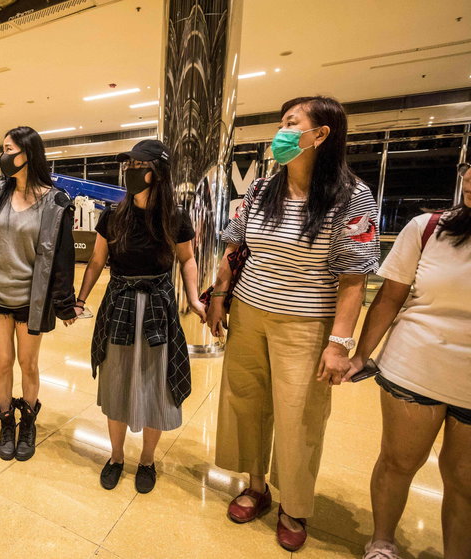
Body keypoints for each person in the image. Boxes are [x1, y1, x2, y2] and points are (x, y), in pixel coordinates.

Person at [205, 96, 380, 552]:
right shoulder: (263, 188)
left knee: (299, 415)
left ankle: (294, 506)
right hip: (249, 312)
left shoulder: (352, 196)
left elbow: (353, 279)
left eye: (290, 123)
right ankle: (256, 486)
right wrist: (220, 296)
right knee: (246, 400)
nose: (280, 132)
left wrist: (340, 343)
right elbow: (234, 245)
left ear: (321, 134)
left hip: (306, 323)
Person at [351, 162, 471, 559]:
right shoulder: (428, 228)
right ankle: (382, 542)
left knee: (464, 480)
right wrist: (359, 355)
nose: (468, 178)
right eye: (469, 168)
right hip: (416, 364)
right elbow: (389, 298)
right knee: (399, 461)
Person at [74, 139, 205, 494]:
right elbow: (97, 261)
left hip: (158, 308)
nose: (131, 171)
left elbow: (188, 259)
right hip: (119, 304)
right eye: (128, 165)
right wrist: (80, 299)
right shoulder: (112, 215)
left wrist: (193, 298)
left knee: (156, 386)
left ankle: (147, 460)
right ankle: (116, 456)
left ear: (157, 172)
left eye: (138, 165)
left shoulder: (175, 218)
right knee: (116, 382)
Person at [0, 126, 77, 462]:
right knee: (3, 363)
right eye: (3, 149)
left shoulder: (55, 202)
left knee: (28, 364)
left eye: (9, 149)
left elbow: (62, 257)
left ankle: (29, 422)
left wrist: (65, 302)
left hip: (31, 299)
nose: (4, 156)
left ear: (28, 153)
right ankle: (7, 420)